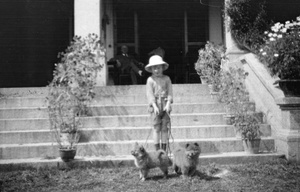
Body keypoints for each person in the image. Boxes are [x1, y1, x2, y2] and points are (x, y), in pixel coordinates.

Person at [145, 55, 173, 151]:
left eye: (158, 67)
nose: (157, 70)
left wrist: (168, 103)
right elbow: (150, 94)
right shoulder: (150, 80)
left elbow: (170, 91)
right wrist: (154, 105)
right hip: (155, 106)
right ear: (151, 69)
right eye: (154, 68)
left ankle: (164, 150)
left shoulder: (167, 79)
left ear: (162, 68)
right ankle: (157, 151)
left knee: (165, 128)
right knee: (156, 128)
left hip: (165, 105)